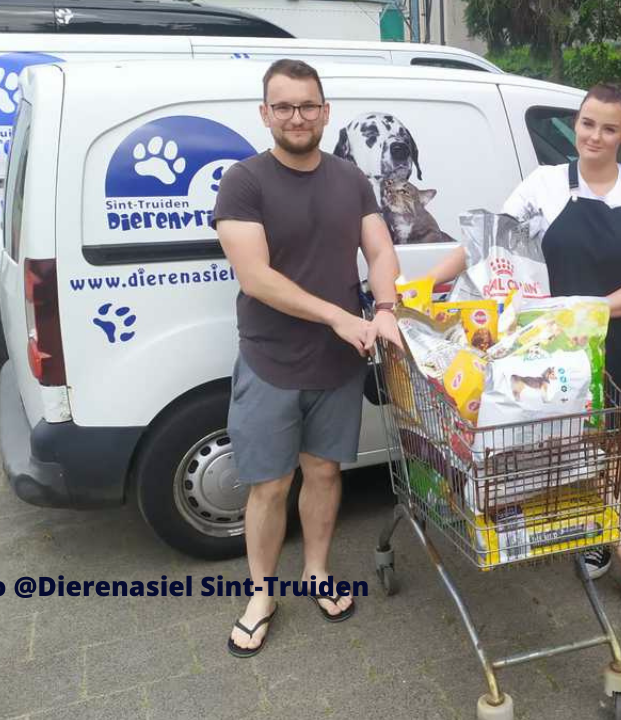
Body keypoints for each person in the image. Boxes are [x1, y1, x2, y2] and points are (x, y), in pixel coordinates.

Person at [428, 83, 621, 624]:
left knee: (615, 449)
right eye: (588, 123)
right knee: (579, 446)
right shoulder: (545, 184)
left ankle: (607, 537)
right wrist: (424, 286)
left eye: (610, 128)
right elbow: (485, 242)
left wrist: (593, 311)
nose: (595, 136)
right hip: (556, 346)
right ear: (576, 124)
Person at [213, 59, 402, 657]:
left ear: (325, 111)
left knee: (323, 473)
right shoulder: (244, 181)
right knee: (269, 484)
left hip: (338, 363)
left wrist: (388, 305)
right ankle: (262, 595)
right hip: (272, 359)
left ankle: (317, 573)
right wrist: (343, 316)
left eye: (309, 105)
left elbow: (379, 247)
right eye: (285, 107)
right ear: (266, 114)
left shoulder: (350, 178)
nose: (298, 117)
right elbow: (256, 277)